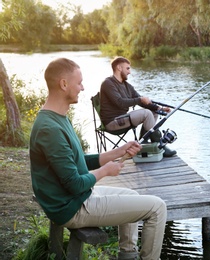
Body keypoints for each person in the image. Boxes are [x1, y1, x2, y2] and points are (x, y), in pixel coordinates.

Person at [29, 58, 167, 260]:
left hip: (73, 198)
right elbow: (74, 184)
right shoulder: (50, 129)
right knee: (157, 207)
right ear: (63, 84)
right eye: (79, 83)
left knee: (133, 195)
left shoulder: (56, 117)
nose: (82, 88)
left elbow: (76, 161)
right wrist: (105, 172)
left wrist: (119, 151)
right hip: (71, 207)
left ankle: (127, 256)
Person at [99, 56, 176, 157]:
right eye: (127, 68)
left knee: (152, 112)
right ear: (119, 68)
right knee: (146, 113)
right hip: (112, 122)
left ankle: (143, 144)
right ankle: (159, 145)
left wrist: (159, 108)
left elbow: (141, 101)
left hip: (122, 119)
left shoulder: (126, 85)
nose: (129, 72)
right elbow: (120, 102)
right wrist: (139, 99)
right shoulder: (108, 83)